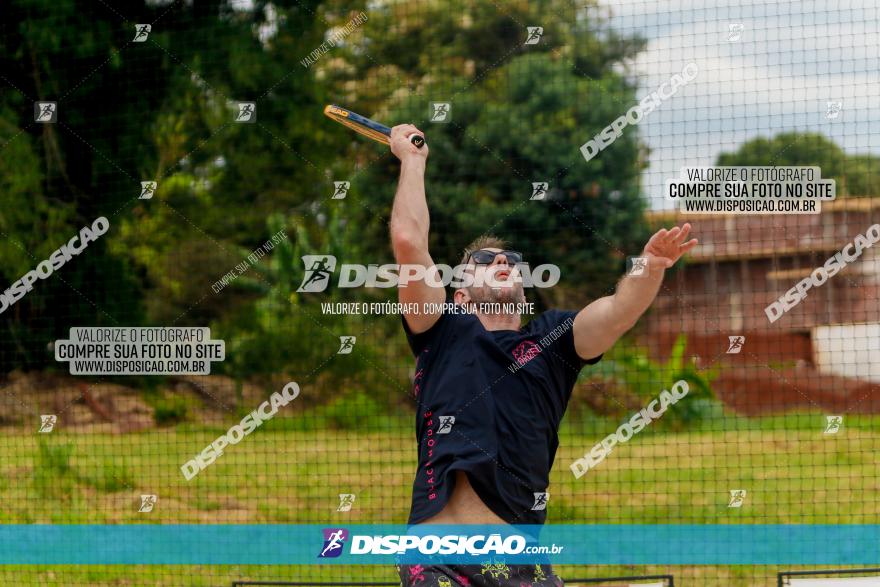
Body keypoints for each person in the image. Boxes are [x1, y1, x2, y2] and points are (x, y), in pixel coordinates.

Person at [388, 124, 698, 587]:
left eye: (510, 258)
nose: (502, 261)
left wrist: (649, 267)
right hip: (440, 562)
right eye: (486, 258)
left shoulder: (553, 343)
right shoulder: (442, 330)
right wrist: (413, 161)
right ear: (460, 296)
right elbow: (411, 244)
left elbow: (617, 312)